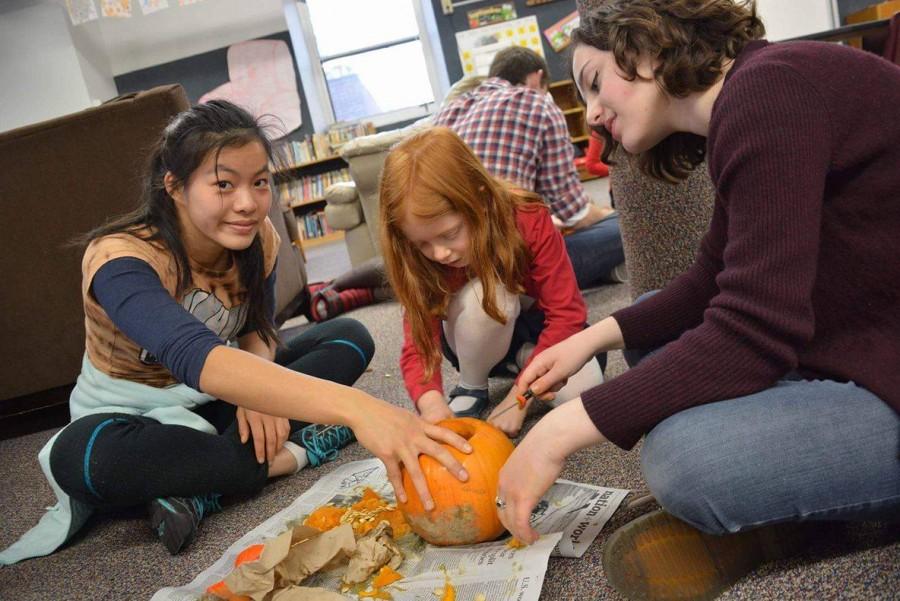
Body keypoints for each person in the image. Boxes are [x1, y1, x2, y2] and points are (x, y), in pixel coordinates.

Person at [495, 1, 900, 599]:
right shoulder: (751, 97)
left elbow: (753, 332)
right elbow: (711, 278)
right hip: (860, 331)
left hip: (882, 360)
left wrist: (556, 432)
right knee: (656, 330)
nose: (594, 115)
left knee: (685, 458)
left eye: (594, 83)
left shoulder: (770, 90)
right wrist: (592, 338)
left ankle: (790, 515)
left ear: (646, 46)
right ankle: (792, 503)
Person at [0, 101, 471, 565]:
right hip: (134, 417)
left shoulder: (258, 238)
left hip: (223, 394)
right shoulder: (120, 261)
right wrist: (361, 410)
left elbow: (258, 330)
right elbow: (190, 352)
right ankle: (290, 455)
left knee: (350, 335)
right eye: (224, 185)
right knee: (78, 459)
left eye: (260, 182)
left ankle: (201, 482)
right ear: (175, 187)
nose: (247, 203)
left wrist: (258, 391)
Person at [379, 127, 604, 436]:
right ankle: (473, 384)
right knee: (491, 297)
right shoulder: (422, 259)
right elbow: (419, 344)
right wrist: (430, 404)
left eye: (450, 234)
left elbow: (567, 315)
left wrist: (519, 399)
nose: (439, 253)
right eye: (422, 244)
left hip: (540, 329)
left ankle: (524, 359)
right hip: (473, 338)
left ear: (479, 199)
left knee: (585, 391)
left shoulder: (528, 218)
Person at [433, 46, 626, 289]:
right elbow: (574, 214)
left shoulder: (449, 110)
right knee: (623, 225)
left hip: (449, 264)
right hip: (509, 267)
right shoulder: (538, 104)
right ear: (537, 78)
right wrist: (609, 214)